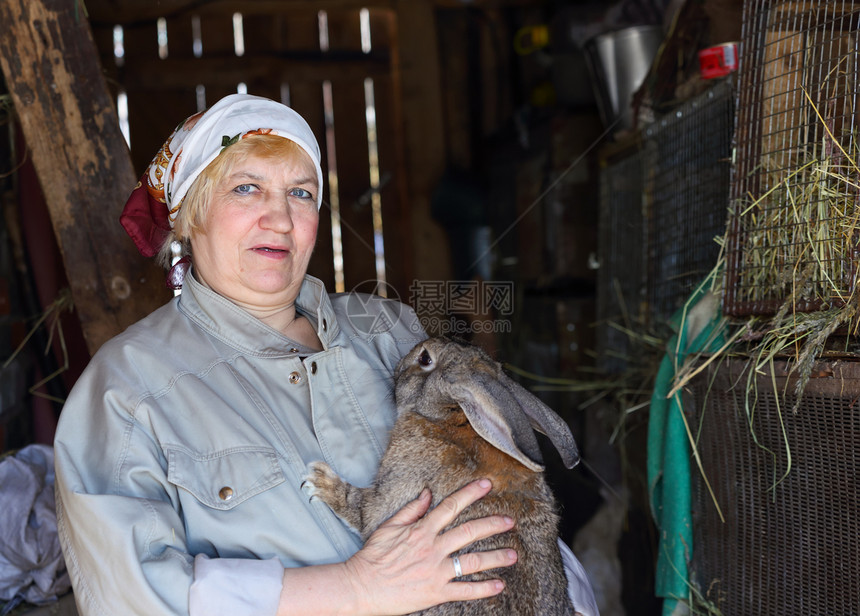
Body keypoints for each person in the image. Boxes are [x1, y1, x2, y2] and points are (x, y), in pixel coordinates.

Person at [53, 93, 598, 615]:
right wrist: (354, 589)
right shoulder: (125, 390)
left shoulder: (389, 330)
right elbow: (128, 596)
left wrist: (563, 599)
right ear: (188, 216)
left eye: (302, 193)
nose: (281, 218)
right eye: (246, 189)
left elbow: (507, 480)